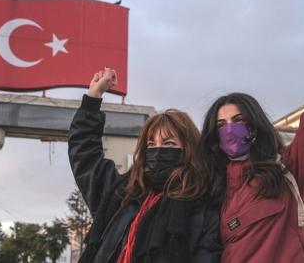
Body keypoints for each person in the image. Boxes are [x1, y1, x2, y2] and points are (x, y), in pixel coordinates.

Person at [199, 5, 304, 262]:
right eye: (221, 125)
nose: (230, 130)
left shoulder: (287, 170)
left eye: (238, 120)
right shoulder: (211, 188)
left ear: (255, 126)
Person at [68, 69, 221, 263]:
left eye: (169, 144)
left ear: (189, 150)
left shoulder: (203, 210)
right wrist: (92, 99)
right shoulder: (122, 195)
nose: (158, 150)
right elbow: (85, 156)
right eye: (151, 144)